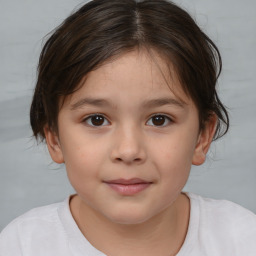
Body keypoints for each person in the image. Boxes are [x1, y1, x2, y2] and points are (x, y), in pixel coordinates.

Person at [0, 0, 256, 255]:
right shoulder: (22, 245)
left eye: (159, 119)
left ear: (202, 136)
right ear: (54, 138)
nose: (129, 150)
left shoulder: (243, 239)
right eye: (96, 120)